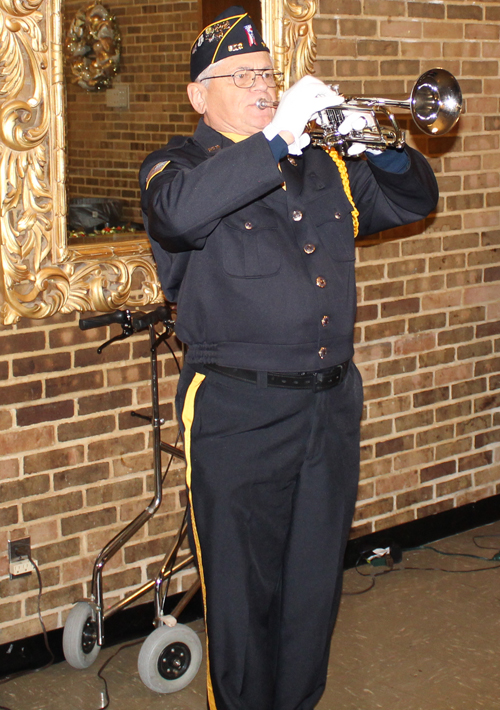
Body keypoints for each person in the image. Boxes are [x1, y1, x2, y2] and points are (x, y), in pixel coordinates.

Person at [139, 7, 439, 709]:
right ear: (199, 96)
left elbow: (414, 199)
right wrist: (276, 136)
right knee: (244, 602)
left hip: (329, 405)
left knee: (311, 594)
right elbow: (179, 217)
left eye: (268, 74)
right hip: (239, 410)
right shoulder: (175, 167)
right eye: (241, 75)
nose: (262, 85)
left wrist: (375, 144)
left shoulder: (320, 165)